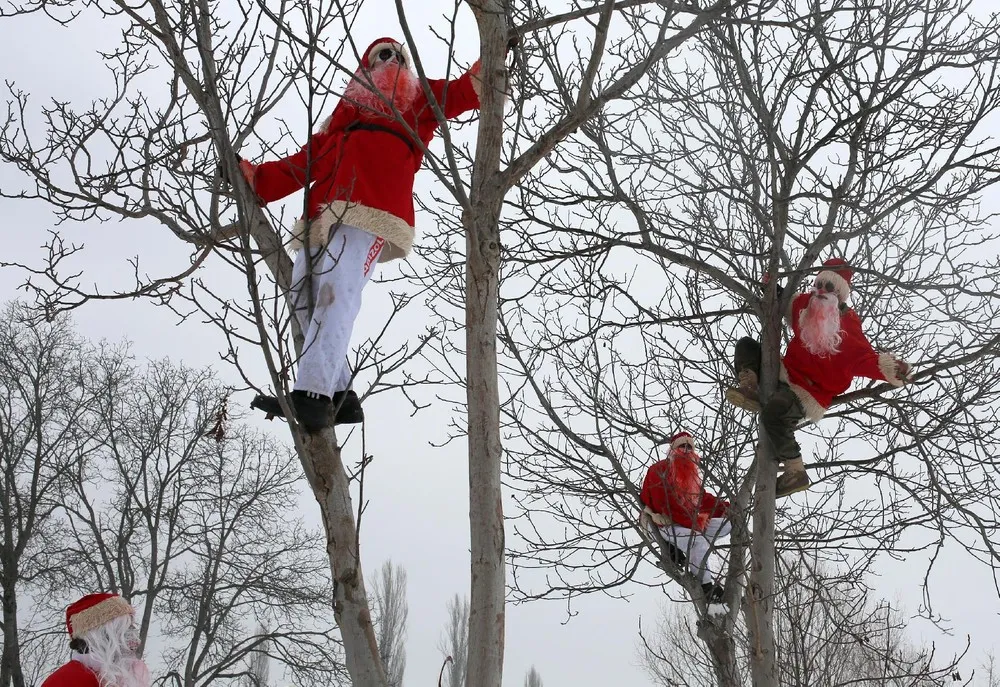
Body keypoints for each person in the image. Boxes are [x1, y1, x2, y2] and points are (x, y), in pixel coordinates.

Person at [242, 37, 490, 431]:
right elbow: (304, 163)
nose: (391, 60)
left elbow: (467, 89)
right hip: (323, 214)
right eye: (382, 55)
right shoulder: (343, 123)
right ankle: (341, 397)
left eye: (398, 55)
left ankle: (311, 395)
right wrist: (257, 180)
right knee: (302, 295)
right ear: (365, 69)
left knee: (336, 291)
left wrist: (495, 55)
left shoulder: (416, 100)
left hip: (375, 211)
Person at [725, 257, 912, 497]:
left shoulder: (848, 328)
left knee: (774, 412)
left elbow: (867, 360)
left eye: (830, 287)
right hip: (784, 371)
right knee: (746, 346)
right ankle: (750, 387)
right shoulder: (805, 306)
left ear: (840, 295)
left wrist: (894, 369)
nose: (822, 291)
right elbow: (785, 302)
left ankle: (795, 470)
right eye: (820, 284)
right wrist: (770, 286)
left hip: (808, 393)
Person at [639, 431, 731, 602]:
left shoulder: (691, 476)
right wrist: (693, 522)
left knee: (727, 524)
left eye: (690, 446)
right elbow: (661, 505)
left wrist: (728, 508)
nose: (687, 450)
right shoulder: (659, 469)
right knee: (698, 541)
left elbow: (703, 499)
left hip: (687, 524)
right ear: (673, 449)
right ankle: (705, 586)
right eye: (682, 446)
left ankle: (689, 552)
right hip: (663, 524)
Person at [42, 593, 151, 687]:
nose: (135, 642)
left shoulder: (120, 678)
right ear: (100, 636)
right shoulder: (65, 682)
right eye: (124, 632)